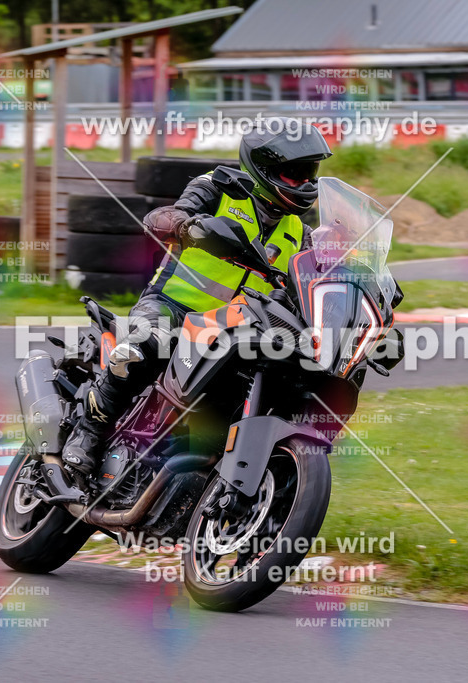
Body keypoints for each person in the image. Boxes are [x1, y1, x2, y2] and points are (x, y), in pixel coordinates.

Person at [61, 117, 333, 474]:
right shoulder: (218, 187)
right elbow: (161, 216)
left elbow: (317, 277)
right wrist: (187, 226)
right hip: (173, 306)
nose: (305, 183)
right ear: (264, 169)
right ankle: (89, 432)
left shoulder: (300, 231)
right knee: (145, 343)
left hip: (236, 328)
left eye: (309, 174)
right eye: (295, 173)